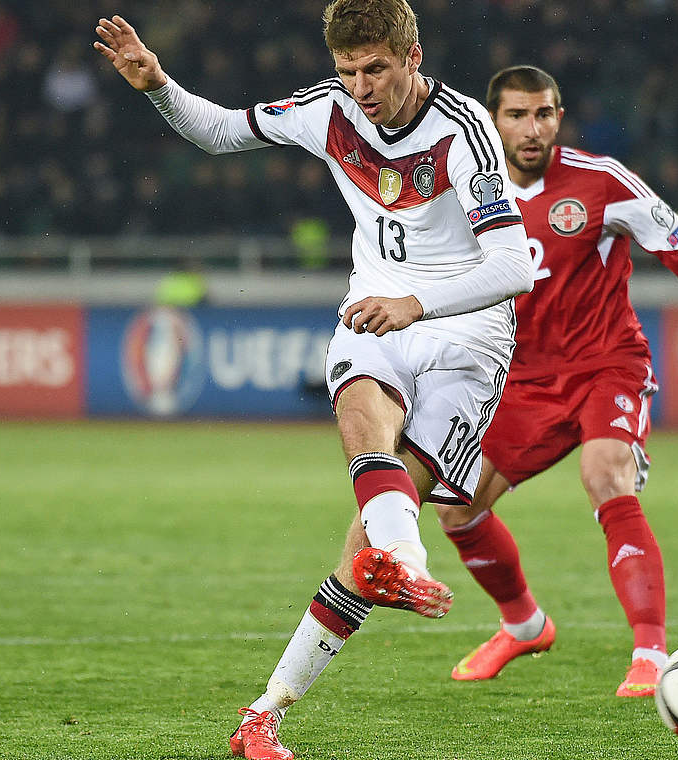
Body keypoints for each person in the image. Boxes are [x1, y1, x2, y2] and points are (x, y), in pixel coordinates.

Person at [94, 4, 533, 759]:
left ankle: (265, 708)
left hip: (469, 337)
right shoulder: (326, 110)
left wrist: (415, 302)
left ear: (412, 56)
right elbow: (223, 130)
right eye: (349, 70)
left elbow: (514, 266)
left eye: (377, 69)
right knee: (365, 428)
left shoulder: (464, 130)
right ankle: (406, 567)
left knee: (368, 535)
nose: (361, 87)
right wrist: (158, 84)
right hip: (374, 313)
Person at [428, 65, 678, 697]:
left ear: (558, 118)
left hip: (605, 365)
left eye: (544, 114)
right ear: (491, 122)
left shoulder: (602, 182)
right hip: (520, 383)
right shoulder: (458, 195)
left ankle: (650, 652)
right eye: (516, 115)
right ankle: (524, 624)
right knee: (456, 507)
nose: (531, 129)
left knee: (604, 473)